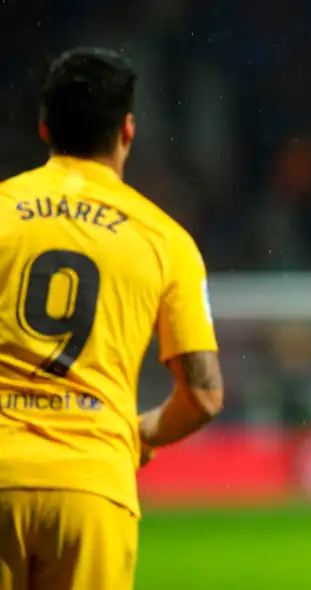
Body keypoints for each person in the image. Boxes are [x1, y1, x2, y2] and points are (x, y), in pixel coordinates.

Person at [0, 47, 224, 590]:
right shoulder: (164, 239)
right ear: (127, 130)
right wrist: (137, 433)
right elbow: (204, 397)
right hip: (93, 484)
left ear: (44, 126)